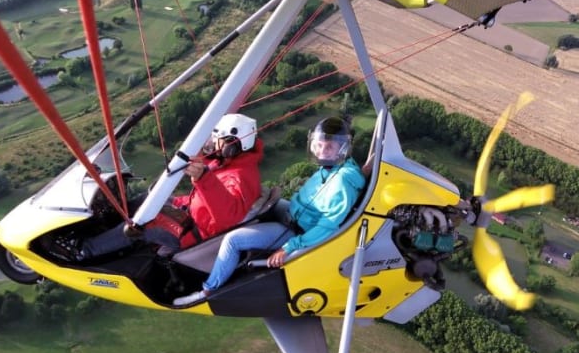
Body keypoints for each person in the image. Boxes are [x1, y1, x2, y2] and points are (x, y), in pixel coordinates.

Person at [173, 116, 366, 306]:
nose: (322, 151)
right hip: (292, 215)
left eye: (329, 147)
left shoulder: (342, 180)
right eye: (319, 145)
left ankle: (207, 291)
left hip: (297, 231)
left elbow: (327, 226)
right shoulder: (331, 168)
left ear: (343, 148)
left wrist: (289, 247)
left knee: (233, 240)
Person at [78, 113, 263, 259]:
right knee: (149, 199)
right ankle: (106, 229)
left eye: (219, 140)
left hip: (195, 233)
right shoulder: (232, 164)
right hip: (191, 214)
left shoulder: (240, 176)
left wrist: (203, 177)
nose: (214, 144)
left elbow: (227, 217)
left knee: (144, 223)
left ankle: (86, 250)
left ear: (233, 146)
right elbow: (205, 197)